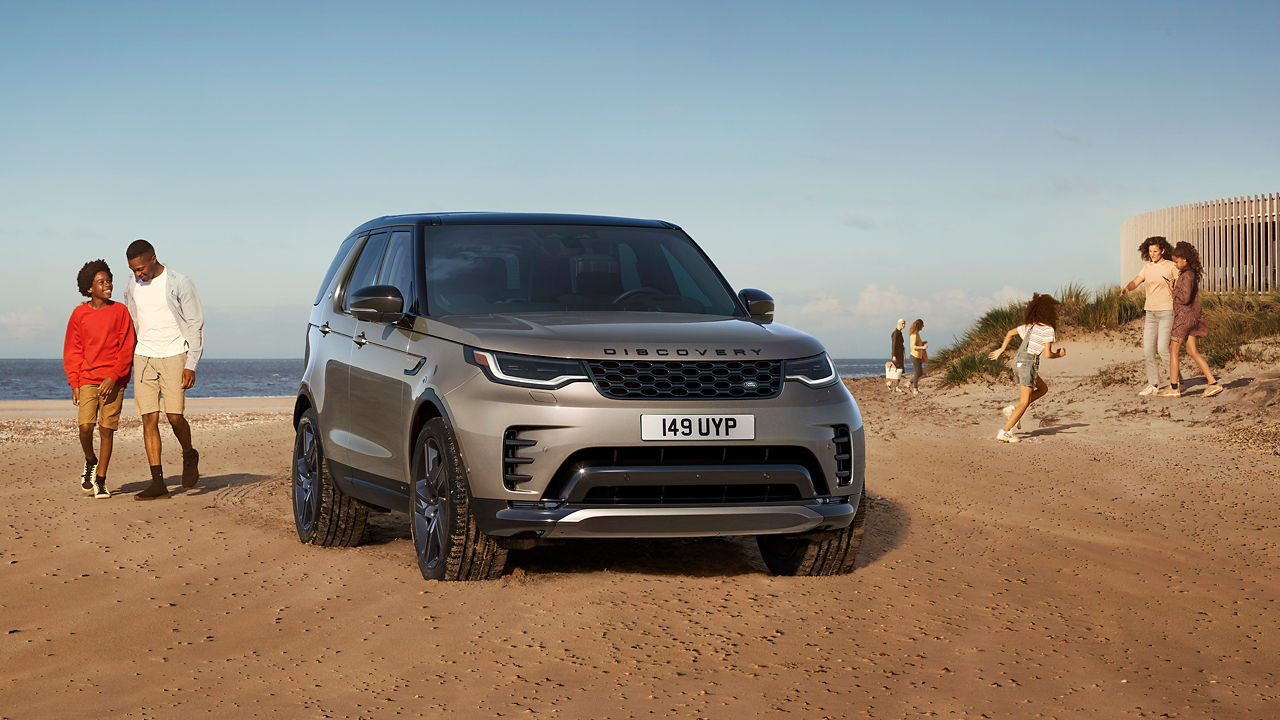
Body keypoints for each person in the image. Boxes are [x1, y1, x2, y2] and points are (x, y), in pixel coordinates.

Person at [123, 239, 204, 500]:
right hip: (144, 356)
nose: (138, 274)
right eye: (133, 270)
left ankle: (189, 454)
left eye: (141, 269)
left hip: (174, 355)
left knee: (174, 416)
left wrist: (191, 364)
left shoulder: (180, 282)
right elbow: (133, 320)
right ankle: (158, 483)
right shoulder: (132, 285)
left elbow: (195, 323)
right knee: (148, 418)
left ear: (153, 258)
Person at [63, 260, 136, 498]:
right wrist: (74, 383)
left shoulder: (120, 311)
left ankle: (101, 480)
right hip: (87, 379)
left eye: (108, 281)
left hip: (114, 380)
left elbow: (127, 348)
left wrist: (113, 377)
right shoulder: (79, 313)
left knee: (106, 430)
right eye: (101, 282)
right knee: (85, 427)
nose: (107, 285)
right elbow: (73, 351)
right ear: (89, 288)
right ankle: (90, 460)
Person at [988, 293, 1066, 443]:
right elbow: (1048, 355)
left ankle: (1013, 410)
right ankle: (1005, 432)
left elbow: (1010, 333)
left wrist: (1001, 349)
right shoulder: (1048, 329)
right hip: (1028, 364)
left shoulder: (1030, 327)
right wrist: (1060, 355)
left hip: (1018, 362)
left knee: (1042, 389)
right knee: (1025, 401)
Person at [1160, 242, 1223, 398]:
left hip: (1184, 318)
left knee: (1173, 350)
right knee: (1192, 351)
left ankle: (1174, 387)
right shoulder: (1190, 274)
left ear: (1185, 260)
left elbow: (1185, 298)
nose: (1175, 264)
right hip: (1192, 318)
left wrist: (1172, 289)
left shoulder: (1187, 275)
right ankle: (1213, 383)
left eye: (1176, 261)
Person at [1120, 236, 1178, 396]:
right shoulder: (1147, 268)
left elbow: (1182, 284)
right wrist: (1127, 288)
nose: (1152, 254)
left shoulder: (1171, 266)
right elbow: (1136, 281)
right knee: (1148, 351)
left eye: (1155, 251)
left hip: (1167, 311)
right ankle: (1153, 385)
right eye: (1150, 251)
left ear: (1163, 251)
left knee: (1162, 349)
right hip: (1150, 313)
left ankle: (1176, 382)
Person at [908, 318, 927, 394]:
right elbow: (913, 346)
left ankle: (909, 383)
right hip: (914, 356)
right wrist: (922, 347)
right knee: (917, 373)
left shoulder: (917, 334)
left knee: (920, 373)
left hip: (918, 357)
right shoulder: (914, 335)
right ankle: (915, 389)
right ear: (919, 326)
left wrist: (922, 342)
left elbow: (917, 343)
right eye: (922, 325)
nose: (923, 326)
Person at [888, 318, 906, 392]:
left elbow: (901, 345)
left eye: (904, 323)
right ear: (898, 324)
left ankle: (895, 386)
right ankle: (891, 384)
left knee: (899, 371)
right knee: (897, 371)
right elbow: (894, 345)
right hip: (897, 355)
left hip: (900, 355)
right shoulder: (895, 333)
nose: (904, 325)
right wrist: (894, 355)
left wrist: (904, 354)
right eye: (902, 323)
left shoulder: (899, 333)